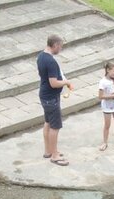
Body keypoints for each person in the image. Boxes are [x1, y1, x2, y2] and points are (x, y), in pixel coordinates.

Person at [37, 34, 73, 166]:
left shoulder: (41, 56)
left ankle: (49, 150)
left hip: (44, 95)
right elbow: (53, 83)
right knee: (55, 126)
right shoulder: (51, 61)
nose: (60, 49)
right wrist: (66, 82)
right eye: (60, 47)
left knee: (47, 122)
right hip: (51, 98)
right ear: (56, 45)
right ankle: (54, 155)